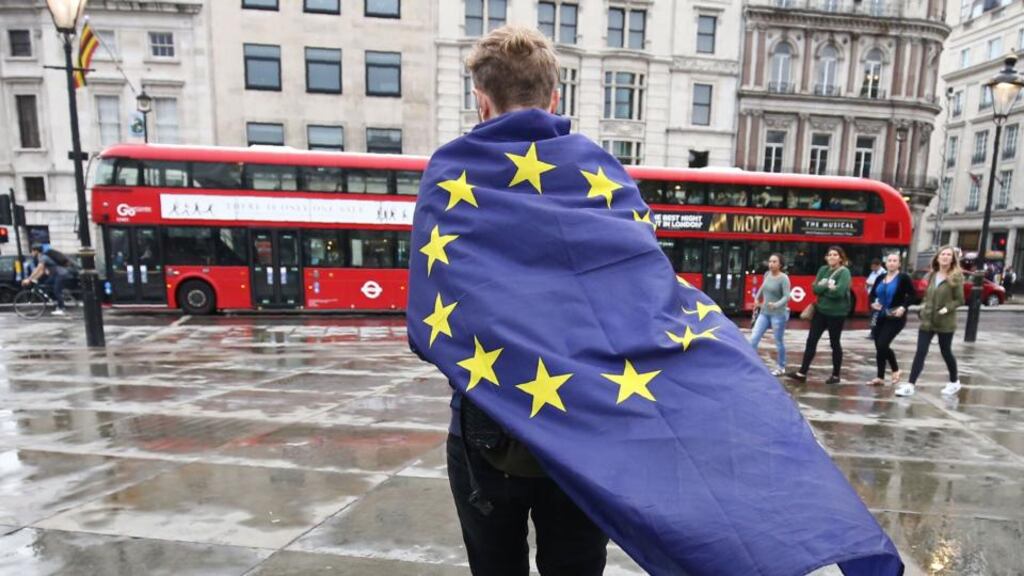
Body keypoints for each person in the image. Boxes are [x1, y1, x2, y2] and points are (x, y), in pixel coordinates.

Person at [440, 26, 608, 575]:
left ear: (480, 101)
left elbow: (433, 320)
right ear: (555, 98)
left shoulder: (449, 175)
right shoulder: (602, 175)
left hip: (484, 428)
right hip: (582, 437)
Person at [896, 246, 964, 397]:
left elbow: (960, 300)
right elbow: (927, 296)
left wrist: (947, 308)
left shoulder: (956, 276)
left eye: (948, 255)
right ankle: (910, 385)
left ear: (953, 259)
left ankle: (954, 381)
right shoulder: (933, 275)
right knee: (920, 352)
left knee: (946, 352)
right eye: (943, 254)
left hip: (945, 322)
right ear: (938, 257)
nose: (945, 257)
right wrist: (922, 308)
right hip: (927, 320)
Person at [788, 246, 851, 384]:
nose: (832, 257)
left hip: (836, 314)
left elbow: (839, 292)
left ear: (840, 258)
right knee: (811, 341)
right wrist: (827, 287)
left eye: (835, 255)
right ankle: (802, 372)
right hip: (820, 311)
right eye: (830, 255)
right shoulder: (823, 270)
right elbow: (815, 289)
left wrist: (824, 287)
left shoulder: (844, 272)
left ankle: (835, 375)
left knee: (834, 343)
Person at [866, 252, 914, 386]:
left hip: (895, 316)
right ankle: (880, 377)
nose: (892, 263)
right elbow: (872, 294)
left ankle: (895, 369)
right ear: (885, 264)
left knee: (882, 344)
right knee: (878, 346)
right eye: (889, 261)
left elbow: (912, 295)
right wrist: (872, 303)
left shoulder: (903, 278)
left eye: (895, 261)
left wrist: (903, 308)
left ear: (899, 264)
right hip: (878, 315)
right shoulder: (880, 277)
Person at [749, 253, 791, 376]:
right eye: (770, 261)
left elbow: (786, 296)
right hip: (764, 313)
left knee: (778, 341)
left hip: (778, 314)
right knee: (753, 339)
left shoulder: (784, 278)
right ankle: (750, 364)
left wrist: (776, 304)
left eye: (774, 262)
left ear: (780, 265)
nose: (771, 264)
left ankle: (781, 366)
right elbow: (762, 288)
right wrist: (757, 299)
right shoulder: (767, 274)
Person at [21, 244, 71, 315]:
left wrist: (29, 279)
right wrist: (34, 279)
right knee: (46, 285)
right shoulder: (42, 257)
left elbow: (38, 269)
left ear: (36, 251)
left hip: (60, 274)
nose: (31, 253)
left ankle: (61, 308)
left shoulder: (43, 257)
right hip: (57, 274)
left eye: (32, 251)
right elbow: (41, 271)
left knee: (56, 290)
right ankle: (58, 299)